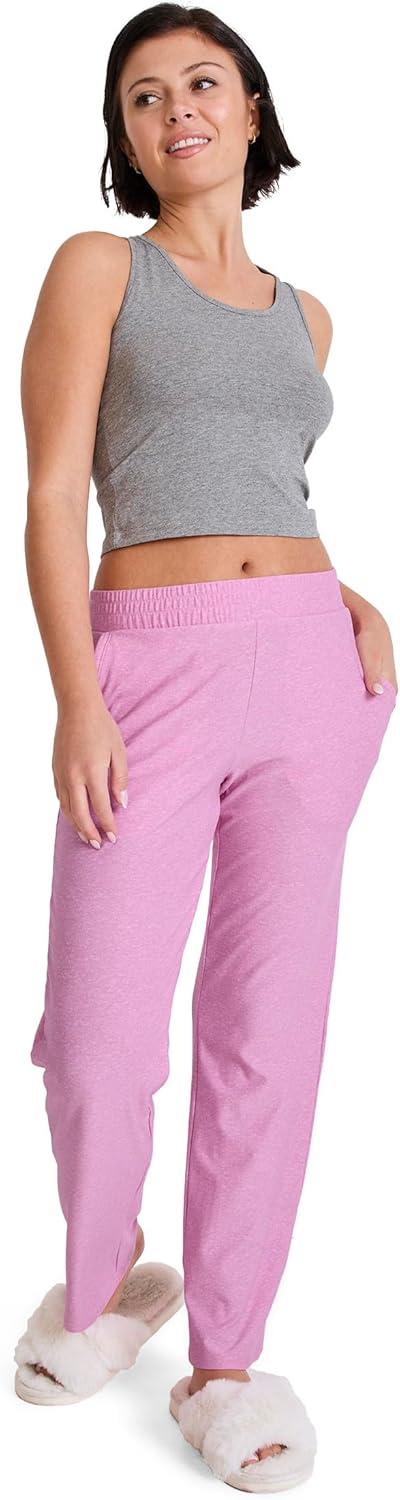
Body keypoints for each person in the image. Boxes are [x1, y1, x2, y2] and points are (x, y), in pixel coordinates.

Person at [14, 4, 397, 1488]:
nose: (175, 107)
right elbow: (57, 497)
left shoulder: (310, 319)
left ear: (250, 110)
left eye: (203, 82)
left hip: (309, 676)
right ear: (126, 135)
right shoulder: (98, 268)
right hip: (144, 670)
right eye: (142, 94)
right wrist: (77, 696)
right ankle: (106, 1280)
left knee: (269, 1033)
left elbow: (266, 493)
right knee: (99, 1029)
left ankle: (227, 1361)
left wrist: (349, 600)